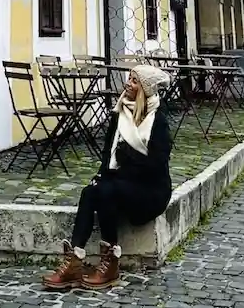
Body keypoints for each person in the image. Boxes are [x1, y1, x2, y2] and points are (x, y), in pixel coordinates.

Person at [42, 64, 174, 292]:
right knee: (90, 190)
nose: (127, 83)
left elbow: (155, 166)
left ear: (145, 88)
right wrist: (101, 175)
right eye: (129, 78)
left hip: (151, 191)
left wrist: (126, 160)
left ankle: (111, 261)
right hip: (122, 183)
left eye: (134, 81)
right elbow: (108, 154)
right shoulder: (120, 113)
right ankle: (75, 259)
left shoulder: (158, 121)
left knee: (107, 190)